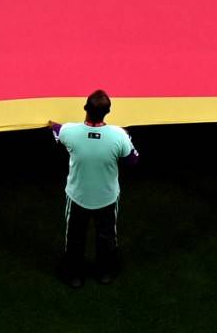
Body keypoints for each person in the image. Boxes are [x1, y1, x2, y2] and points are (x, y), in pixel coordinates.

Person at [49, 89, 137, 287]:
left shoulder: (69, 132)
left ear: (85, 108)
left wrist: (52, 125)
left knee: (74, 237)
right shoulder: (118, 136)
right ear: (108, 112)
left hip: (77, 196)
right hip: (106, 198)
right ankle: (105, 273)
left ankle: (74, 276)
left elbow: (56, 130)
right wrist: (127, 137)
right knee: (106, 236)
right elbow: (133, 160)